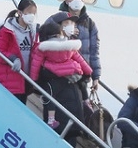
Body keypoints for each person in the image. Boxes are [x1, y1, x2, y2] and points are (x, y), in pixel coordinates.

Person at [30, 12, 93, 146]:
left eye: (72, 23)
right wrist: (84, 74)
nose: (71, 26)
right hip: (66, 110)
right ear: (58, 28)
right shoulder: (68, 51)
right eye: (66, 24)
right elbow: (83, 66)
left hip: (68, 108)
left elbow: (36, 70)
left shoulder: (63, 49)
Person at [59, 0, 101, 98]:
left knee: (81, 108)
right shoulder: (58, 19)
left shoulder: (90, 24)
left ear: (84, 0)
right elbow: (47, 41)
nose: (77, 0)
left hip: (82, 76)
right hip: (62, 76)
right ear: (67, 0)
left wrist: (95, 77)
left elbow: (94, 52)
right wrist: (65, 32)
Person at [0, 0, 38, 104]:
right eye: (29, 12)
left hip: (24, 80)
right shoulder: (7, 30)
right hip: (10, 80)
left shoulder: (32, 32)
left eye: (33, 13)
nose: (31, 15)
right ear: (19, 12)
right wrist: (13, 58)